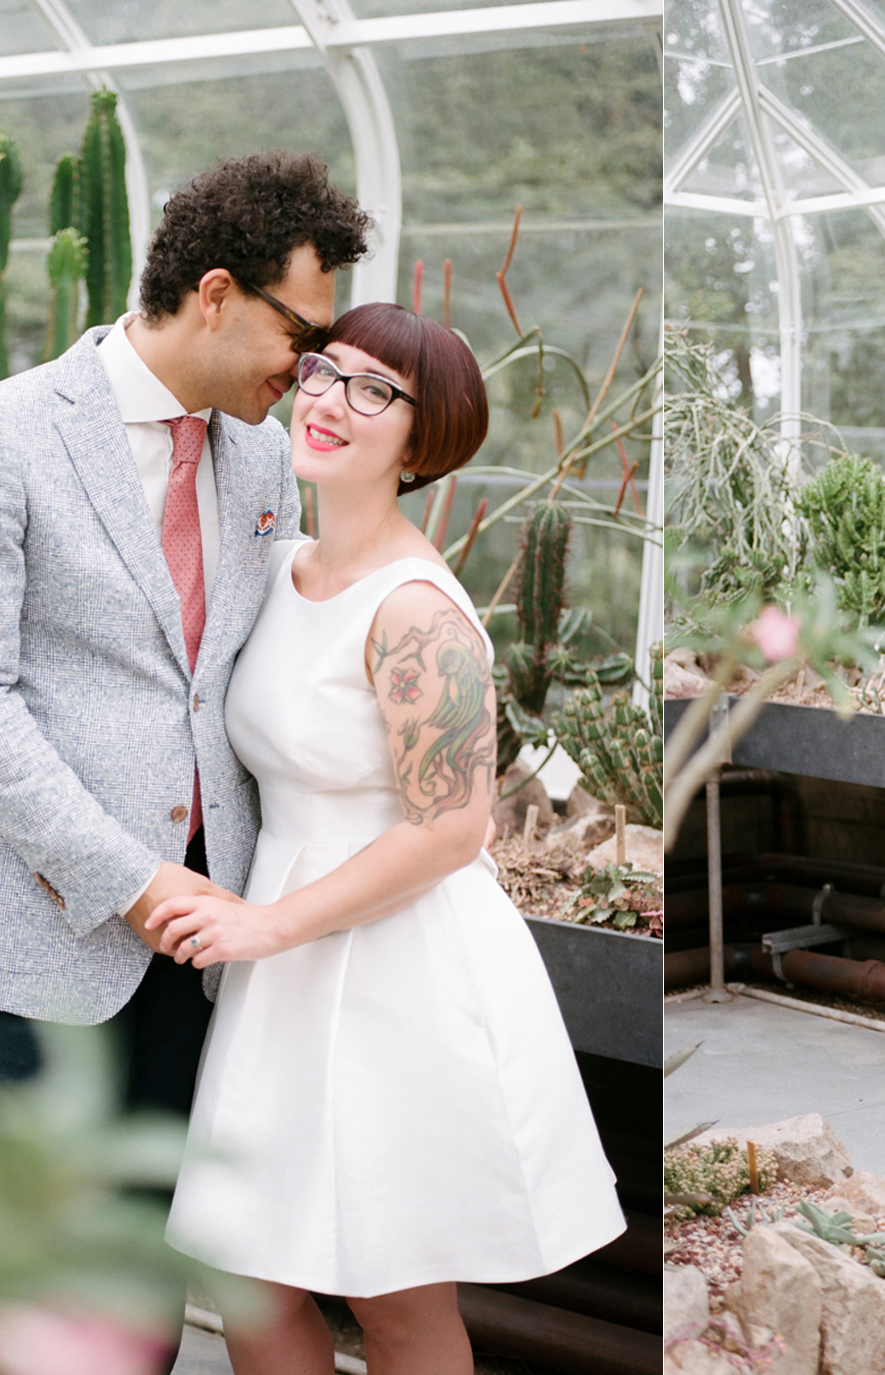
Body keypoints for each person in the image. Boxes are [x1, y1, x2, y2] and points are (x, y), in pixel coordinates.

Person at [0, 152, 368, 1365]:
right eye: (301, 334)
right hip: (49, 924)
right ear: (215, 292)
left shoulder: (262, 455)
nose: (308, 370)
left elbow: (253, 663)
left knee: (160, 1259)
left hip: (214, 927)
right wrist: (135, 879)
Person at [144, 302, 626, 1374]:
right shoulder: (278, 569)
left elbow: (453, 829)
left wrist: (267, 925)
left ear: (423, 437)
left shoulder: (416, 611)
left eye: (377, 391)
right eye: (324, 371)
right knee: (247, 1273)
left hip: (391, 962)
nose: (330, 401)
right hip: (279, 955)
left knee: (393, 1290)